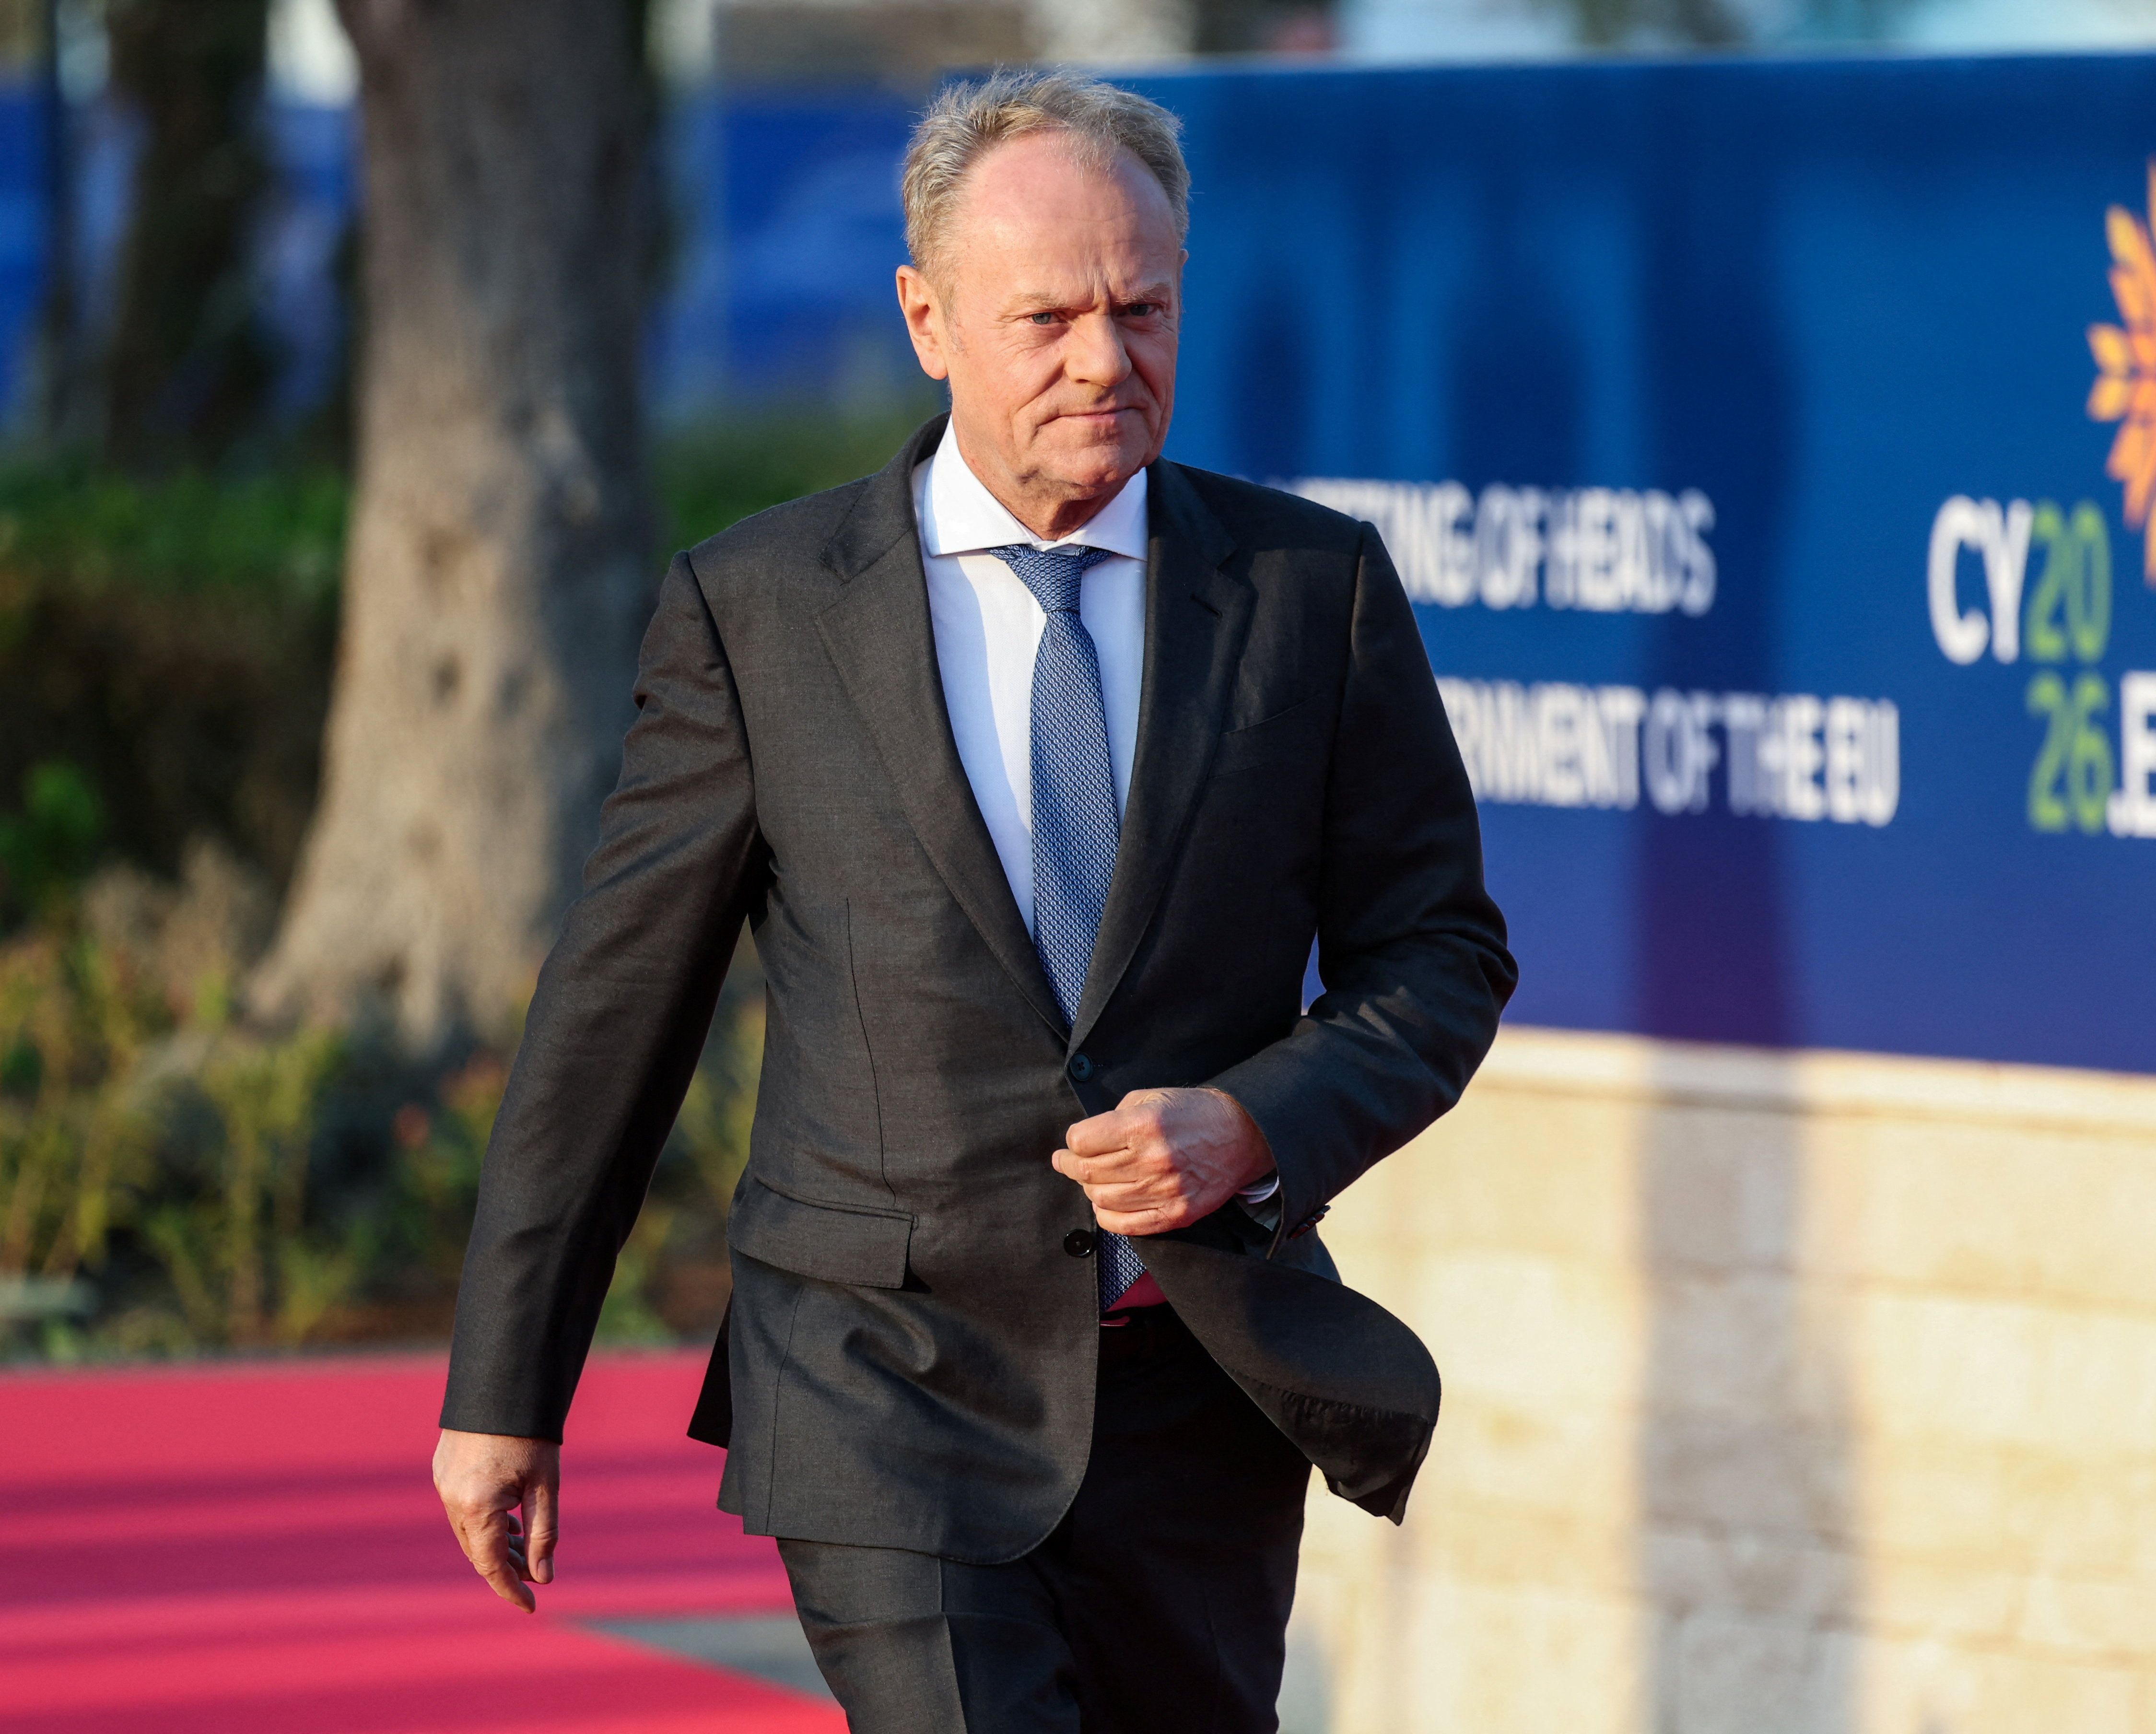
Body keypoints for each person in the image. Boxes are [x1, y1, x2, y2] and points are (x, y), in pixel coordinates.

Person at [429, 68, 1514, 1733]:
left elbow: (1437, 955)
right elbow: (615, 1011)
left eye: (1142, 310)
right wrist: (509, 1388)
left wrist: (1253, 1122)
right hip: (882, 1383)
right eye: (1050, 319)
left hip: (1198, 1391)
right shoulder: (762, 611)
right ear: (926, 320)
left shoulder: (1313, 593)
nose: (1106, 360)